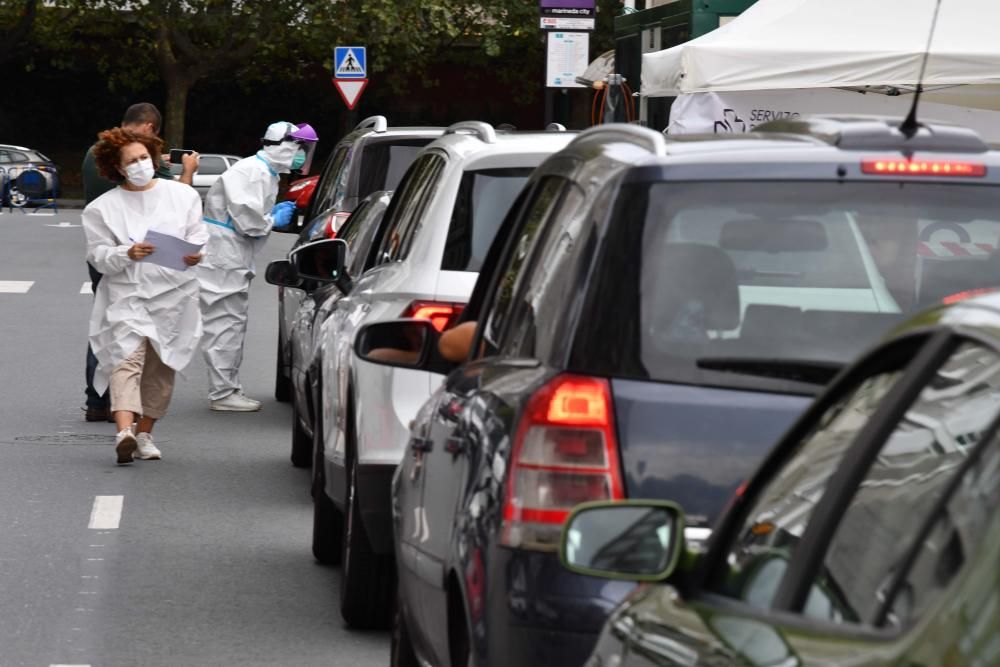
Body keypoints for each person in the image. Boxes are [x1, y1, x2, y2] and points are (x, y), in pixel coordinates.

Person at [82, 127, 208, 465]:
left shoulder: (183, 196)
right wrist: (127, 253)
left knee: (161, 369)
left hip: (173, 297)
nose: (140, 164)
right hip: (127, 295)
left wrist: (197, 254)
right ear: (117, 168)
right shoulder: (101, 209)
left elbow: (198, 235)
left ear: (152, 156)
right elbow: (98, 256)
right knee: (125, 360)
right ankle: (124, 432)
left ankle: (144, 433)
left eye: (143, 157)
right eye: (131, 161)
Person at [197, 121, 318, 411]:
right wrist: (272, 219)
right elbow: (249, 222)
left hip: (229, 255)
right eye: (301, 148)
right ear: (287, 145)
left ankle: (225, 388)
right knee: (225, 323)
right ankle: (223, 393)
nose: (303, 155)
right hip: (224, 256)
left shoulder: (263, 171)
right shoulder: (252, 172)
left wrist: (269, 216)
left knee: (228, 322)